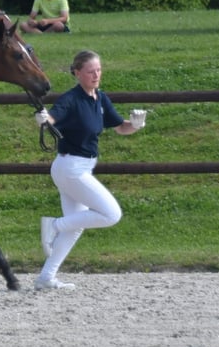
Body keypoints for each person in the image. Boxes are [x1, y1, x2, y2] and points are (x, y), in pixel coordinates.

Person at [32, 50, 147, 290]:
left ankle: (46, 278)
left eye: (99, 70)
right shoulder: (71, 99)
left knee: (75, 227)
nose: (96, 75)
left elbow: (120, 128)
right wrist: (44, 119)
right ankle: (53, 225)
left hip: (79, 167)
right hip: (70, 168)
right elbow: (53, 117)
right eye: (90, 71)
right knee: (111, 214)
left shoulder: (100, 98)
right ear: (77, 73)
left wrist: (136, 125)